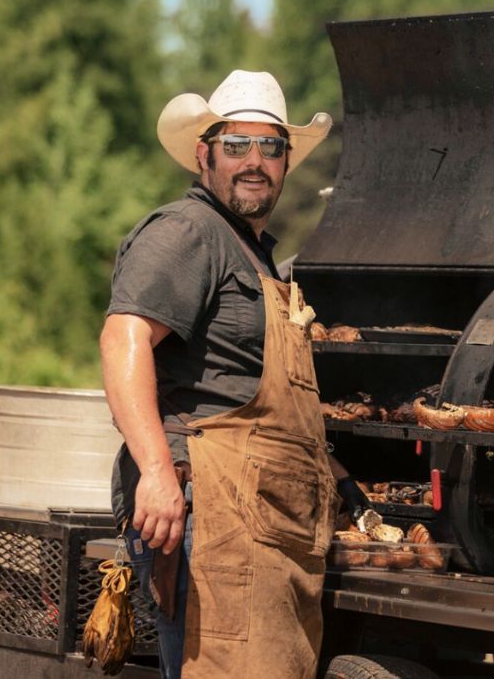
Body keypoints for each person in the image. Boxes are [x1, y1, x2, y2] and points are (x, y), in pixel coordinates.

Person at [101, 69, 365, 679]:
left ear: (286, 161)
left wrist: (334, 475)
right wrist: (159, 476)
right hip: (209, 514)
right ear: (204, 154)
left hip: (263, 524)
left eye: (269, 147)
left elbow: (257, 390)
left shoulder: (254, 251)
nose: (254, 161)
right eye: (235, 145)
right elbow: (124, 339)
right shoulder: (188, 231)